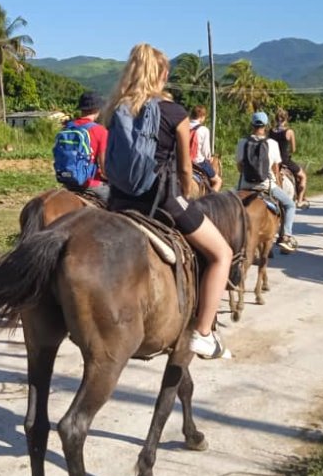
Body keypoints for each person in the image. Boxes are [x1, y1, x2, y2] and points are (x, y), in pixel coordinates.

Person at [103, 44, 233, 360]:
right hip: (163, 202)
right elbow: (186, 168)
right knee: (222, 253)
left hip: (118, 204)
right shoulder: (174, 112)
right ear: (162, 74)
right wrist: (186, 195)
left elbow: (109, 163)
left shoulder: (115, 110)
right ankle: (203, 333)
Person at [236, 111, 299, 253]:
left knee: (227, 204)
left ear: (252, 124)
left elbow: (240, 167)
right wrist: (276, 180)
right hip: (267, 186)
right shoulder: (272, 143)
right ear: (265, 125)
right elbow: (275, 168)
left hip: (245, 185)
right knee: (290, 205)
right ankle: (286, 237)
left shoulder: (242, 142)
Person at [65, 91, 110, 201]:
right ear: (97, 109)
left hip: (67, 180)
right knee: (114, 199)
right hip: (89, 182)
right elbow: (104, 169)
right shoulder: (100, 131)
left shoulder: (68, 127)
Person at [269, 108, 310, 207]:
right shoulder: (289, 132)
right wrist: (288, 152)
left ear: (275, 119)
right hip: (284, 160)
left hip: (272, 161)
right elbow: (293, 149)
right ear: (286, 119)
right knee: (303, 176)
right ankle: (300, 201)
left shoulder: (270, 131)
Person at [188, 105, 222, 192]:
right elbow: (206, 152)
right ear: (202, 117)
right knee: (218, 181)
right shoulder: (204, 130)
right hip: (198, 162)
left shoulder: (184, 126)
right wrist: (209, 157)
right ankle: (210, 200)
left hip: (182, 161)